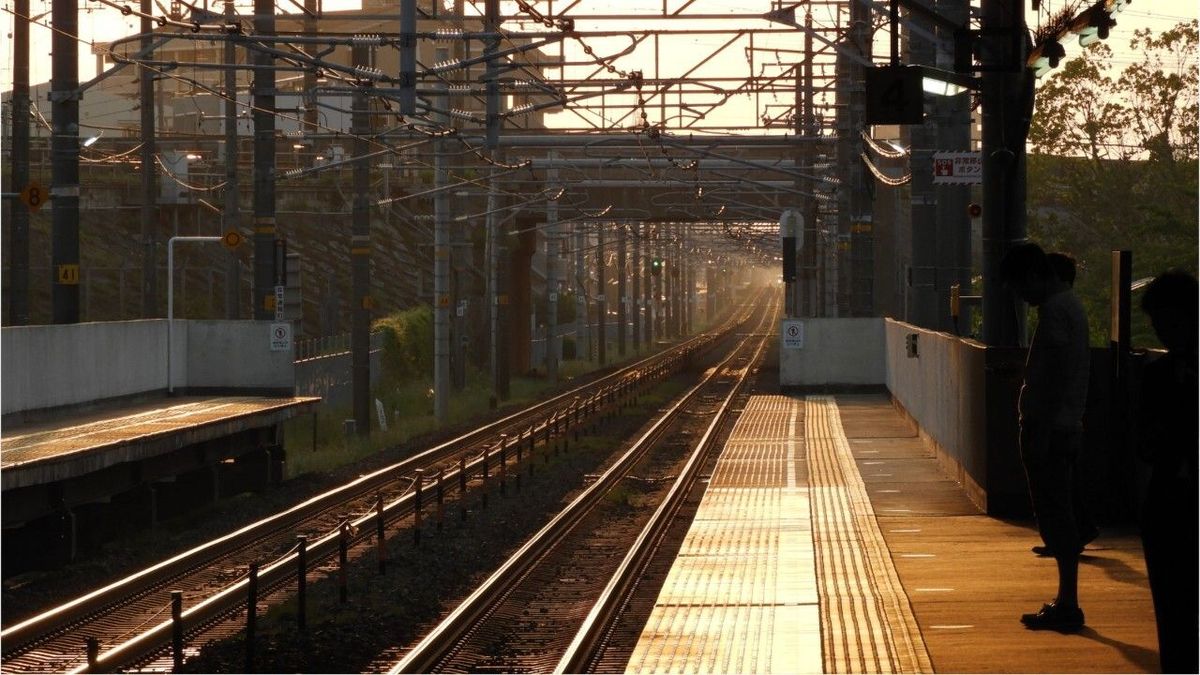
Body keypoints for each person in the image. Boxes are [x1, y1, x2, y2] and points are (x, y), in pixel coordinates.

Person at [999, 242, 1091, 632]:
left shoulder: (1055, 313)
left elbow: (1052, 380)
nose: (1023, 297)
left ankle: (1068, 603)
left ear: (1035, 276)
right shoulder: (1069, 307)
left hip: (1050, 430)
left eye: (1022, 288)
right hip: (1063, 427)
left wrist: (1038, 432)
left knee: (1056, 516)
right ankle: (1065, 599)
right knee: (1059, 512)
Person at [1136, 270, 1198, 673]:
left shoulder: (1161, 377)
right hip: (1168, 505)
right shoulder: (1157, 376)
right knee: (1173, 608)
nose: (1162, 334)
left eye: (1168, 323)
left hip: (1172, 501)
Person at [1027, 252, 1099, 557]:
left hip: (1053, 419)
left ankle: (1064, 554)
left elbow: (1054, 371)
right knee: (1066, 486)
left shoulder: (1056, 310)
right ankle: (1074, 537)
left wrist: (1041, 423)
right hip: (1070, 415)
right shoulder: (1074, 307)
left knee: (1053, 493)